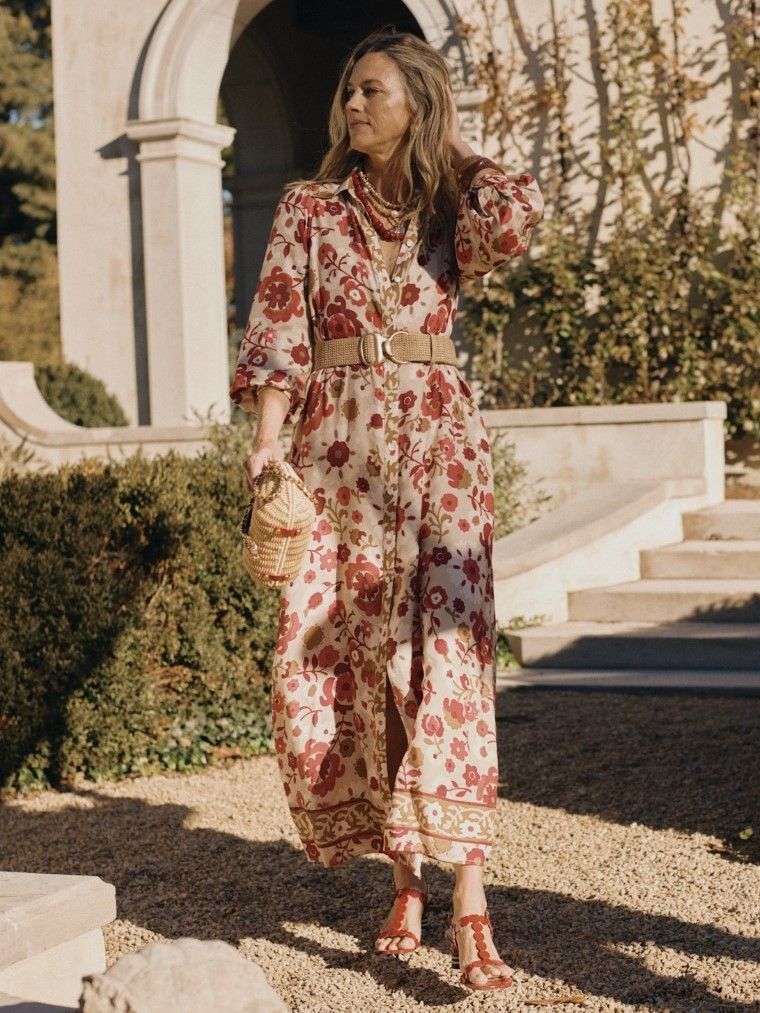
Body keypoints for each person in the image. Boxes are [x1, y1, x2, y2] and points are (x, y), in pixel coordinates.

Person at [230, 27, 544, 991]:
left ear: (416, 102)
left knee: (447, 660)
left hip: (442, 458)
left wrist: (449, 144)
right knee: (355, 664)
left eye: (374, 92)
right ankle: (405, 880)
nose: (352, 107)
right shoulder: (310, 206)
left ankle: (472, 900)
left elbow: (519, 218)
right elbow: (280, 319)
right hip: (336, 456)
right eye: (348, 93)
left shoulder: (455, 207)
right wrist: (268, 441)